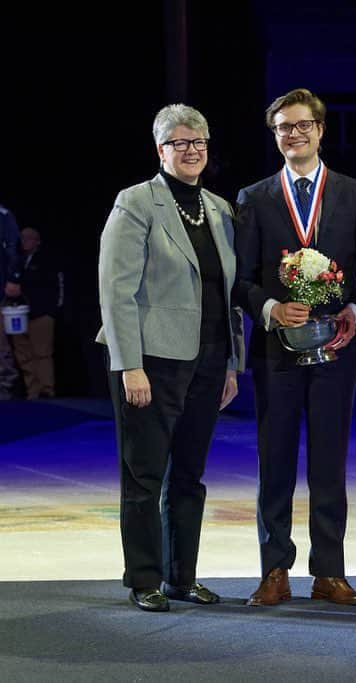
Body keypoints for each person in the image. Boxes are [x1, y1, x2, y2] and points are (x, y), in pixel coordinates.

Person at [234, 88, 356, 607]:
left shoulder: (355, 192)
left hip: (336, 347)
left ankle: (330, 571)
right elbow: (242, 278)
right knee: (273, 462)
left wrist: (355, 310)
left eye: (302, 126)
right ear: (274, 136)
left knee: (328, 462)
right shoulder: (253, 198)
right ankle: (274, 568)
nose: (293, 135)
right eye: (283, 128)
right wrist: (271, 310)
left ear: (320, 130)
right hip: (277, 351)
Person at [96, 104, 242, 612]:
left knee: (189, 477)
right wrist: (128, 363)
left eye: (199, 141)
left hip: (207, 360)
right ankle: (144, 579)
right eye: (180, 143)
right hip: (150, 363)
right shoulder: (135, 203)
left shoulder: (220, 209)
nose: (192, 150)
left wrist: (229, 364)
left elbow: (226, 294)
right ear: (161, 150)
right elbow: (115, 291)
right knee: (144, 475)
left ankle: (183, 577)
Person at [10, 227, 61, 399]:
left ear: (37, 241)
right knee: (24, 354)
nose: (25, 241)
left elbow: (50, 285)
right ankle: (33, 391)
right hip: (20, 314)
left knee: (42, 353)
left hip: (42, 313)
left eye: (29, 238)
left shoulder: (46, 260)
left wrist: (51, 310)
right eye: (22, 238)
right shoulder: (18, 260)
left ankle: (47, 390)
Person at [1, 203, 22, 399]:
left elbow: (14, 248)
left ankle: (6, 386)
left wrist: (13, 278)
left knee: (1, 343)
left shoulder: (3, 215)